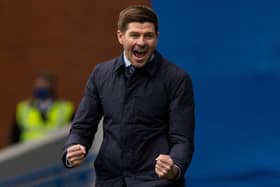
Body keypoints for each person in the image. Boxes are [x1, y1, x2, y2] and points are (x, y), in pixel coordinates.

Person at [63, 5, 195, 187]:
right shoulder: (100, 74)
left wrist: (174, 168)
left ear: (157, 38)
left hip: (156, 183)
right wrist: (74, 147)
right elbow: (82, 126)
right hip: (109, 181)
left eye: (148, 35)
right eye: (134, 35)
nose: (141, 42)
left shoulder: (176, 79)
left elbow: (182, 139)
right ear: (120, 37)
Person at [11, 71, 74, 144]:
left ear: (52, 86)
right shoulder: (23, 109)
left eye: (44, 84)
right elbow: (14, 136)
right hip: (29, 151)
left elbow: (74, 133)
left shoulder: (65, 108)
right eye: (38, 85)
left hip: (56, 150)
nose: (41, 87)